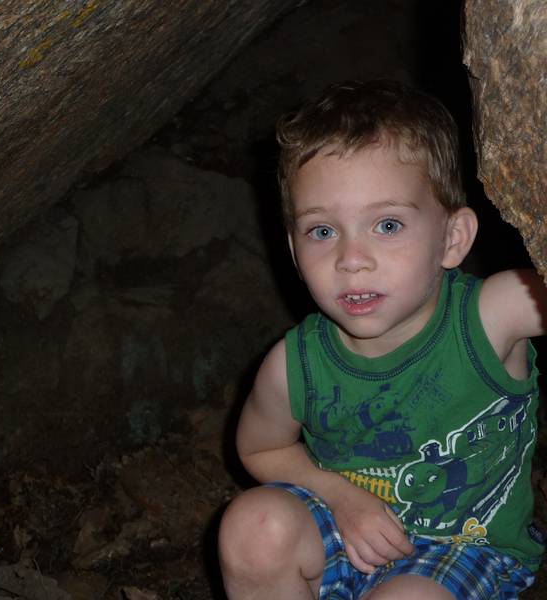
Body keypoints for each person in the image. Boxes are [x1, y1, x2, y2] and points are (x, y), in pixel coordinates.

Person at [217, 79, 546, 599]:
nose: (351, 258)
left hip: (465, 549)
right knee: (252, 527)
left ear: (452, 238)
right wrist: (339, 496)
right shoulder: (293, 366)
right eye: (322, 231)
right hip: (345, 528)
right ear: (293, 247)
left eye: (387, 224)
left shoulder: (491, 317)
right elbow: (259, 447)